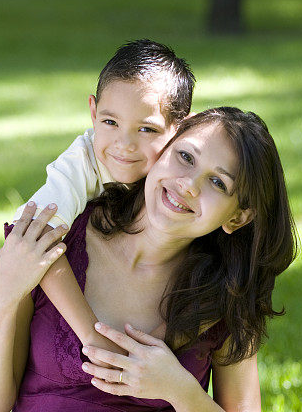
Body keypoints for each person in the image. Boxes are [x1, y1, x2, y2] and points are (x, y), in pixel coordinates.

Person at [0, 107, 297, 412]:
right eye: (185, 157)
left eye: (217, 183)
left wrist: (178, 389)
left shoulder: (226, 297)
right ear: (162, 149)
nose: (188, 184)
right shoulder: (59, 242)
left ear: (238, 217)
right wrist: (3, 293)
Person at [16, 39, 196, 360]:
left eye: (146, 129)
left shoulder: (185, 175)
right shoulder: (82, 161)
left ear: (180, 129)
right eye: (110, 122)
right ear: (93, 112)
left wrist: (155, 344)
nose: (123, 144)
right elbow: (34, 235)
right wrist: (91, 334)